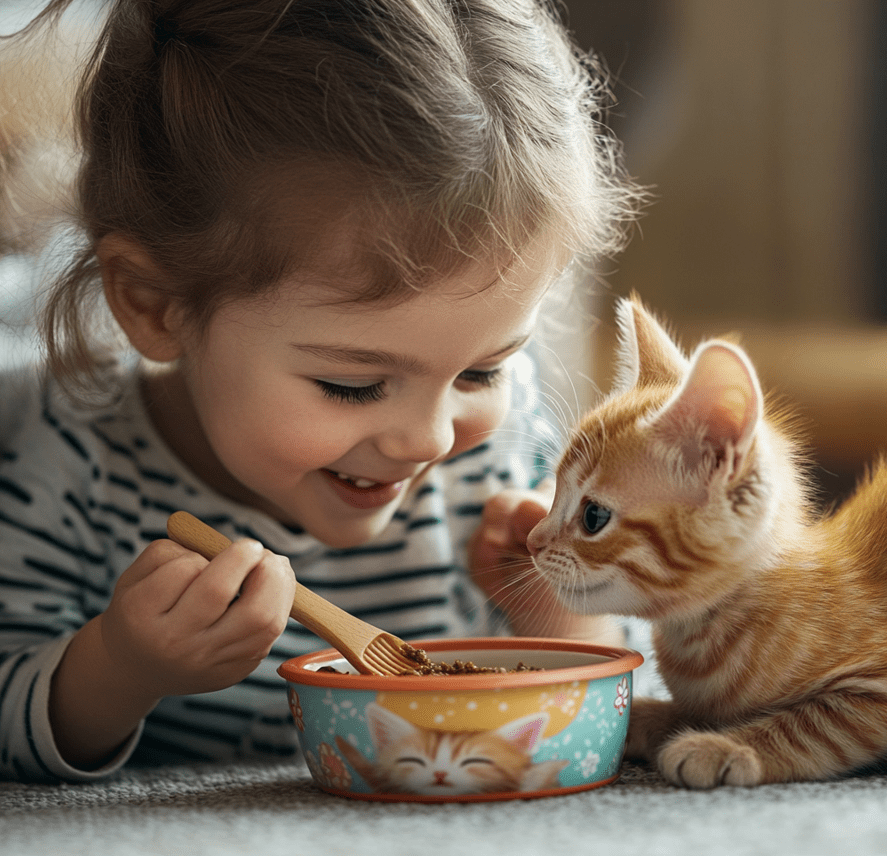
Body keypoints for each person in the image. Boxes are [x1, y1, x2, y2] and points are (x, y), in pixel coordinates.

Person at [0, 0, 638, 782]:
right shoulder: (65, 451)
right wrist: (118, 670)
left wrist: (560, 612)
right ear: (155, 306)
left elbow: (615, 712)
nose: (430, 438)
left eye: (484, 371)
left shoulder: (496, 459)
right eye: (355, 384)